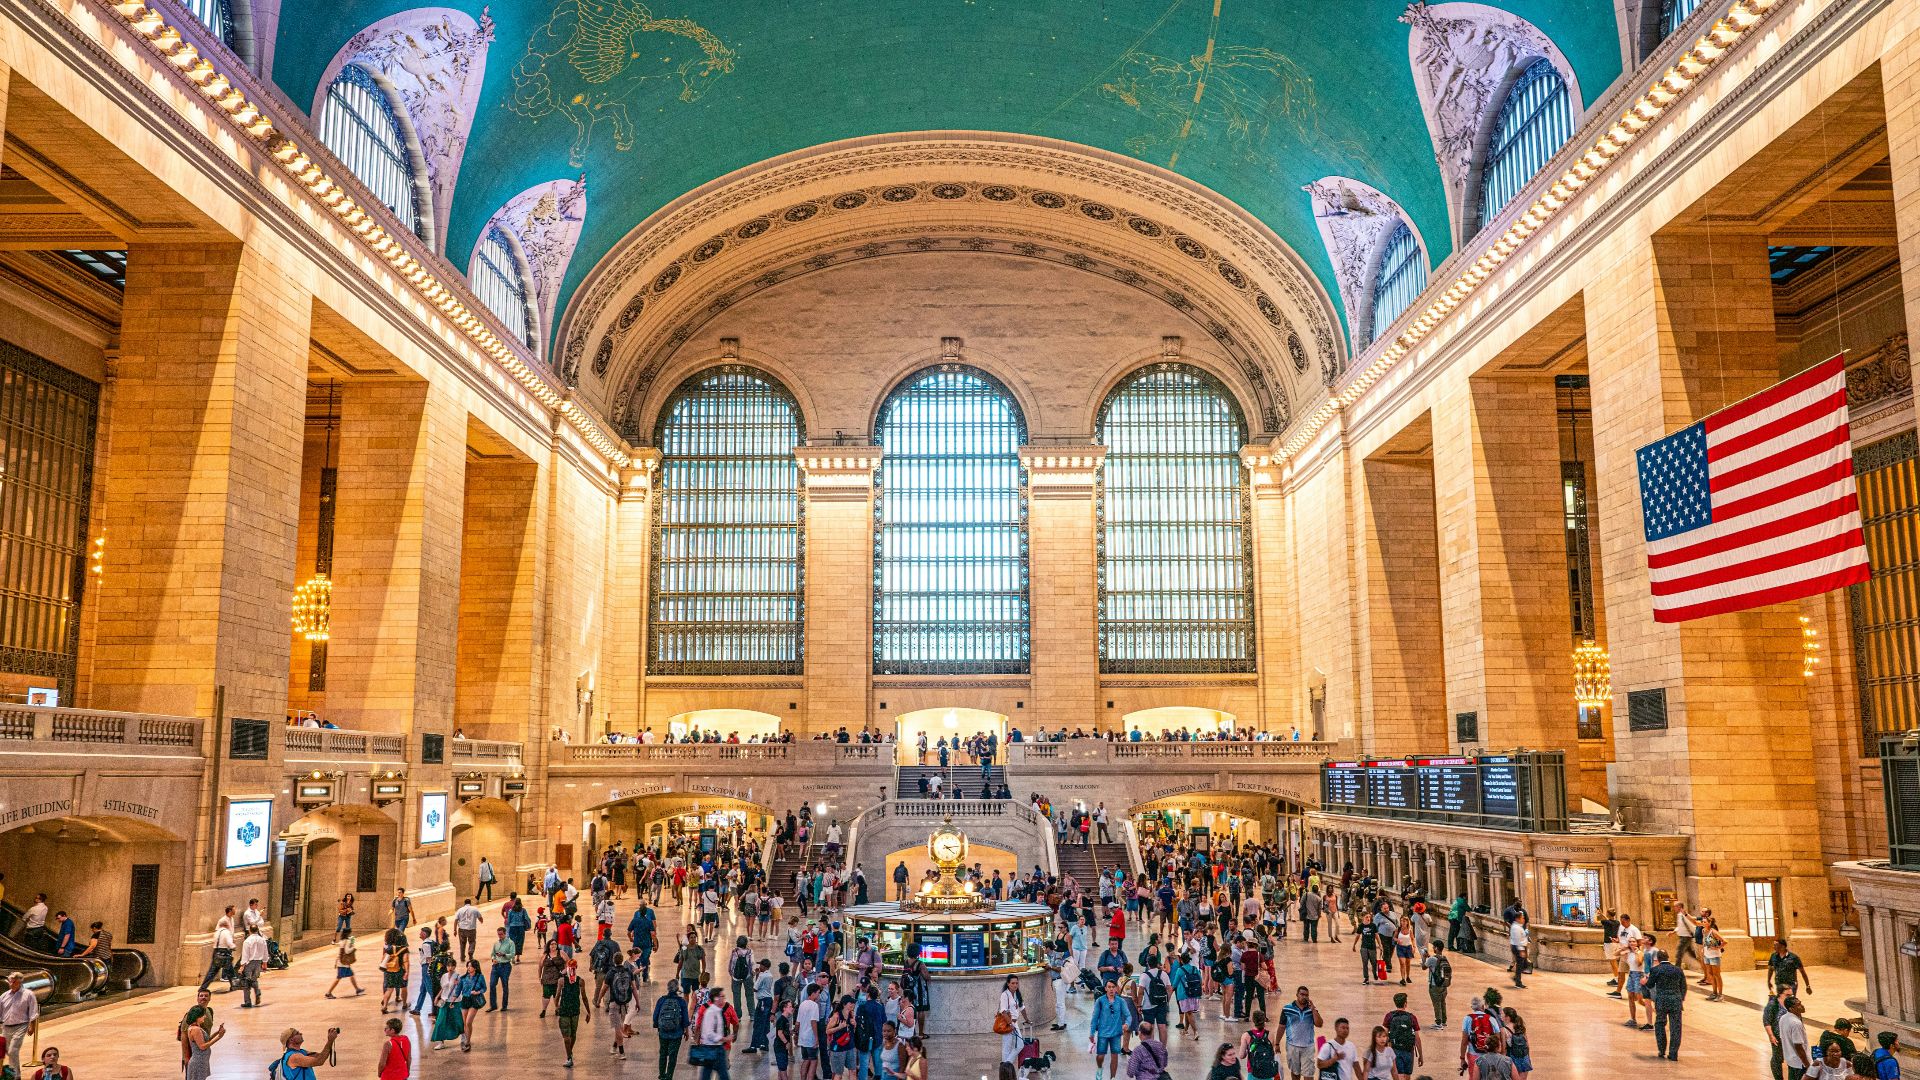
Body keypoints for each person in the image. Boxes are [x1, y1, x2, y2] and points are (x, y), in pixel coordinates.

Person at [1644, 947, 1686, 1061]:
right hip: (1676, 1001)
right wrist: (1680, 999)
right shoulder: (1678, 970)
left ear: (1658, 958)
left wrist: (1645, 981)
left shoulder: (1656, 970)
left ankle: (1662, 1050)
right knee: (1676, 1028)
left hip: (1662, 1001)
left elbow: (1650, 985)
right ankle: (1673, 1054)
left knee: (1660, 1024)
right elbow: (1683, 986)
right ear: (1668, 957)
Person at [2, 970, 42, 1079]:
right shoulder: (4, 996)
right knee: (6, 1051)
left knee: (13, 1050)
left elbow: (33, 1011)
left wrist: (32, 1026)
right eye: (10, 982)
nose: (11, 984)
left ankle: (16, 1076)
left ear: (19, 982)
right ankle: (11, 1072)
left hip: (21, 1025)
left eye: (14, 982)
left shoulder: (28, 994)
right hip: (6, 1027)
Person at [553, 957, 592, 1067]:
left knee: (571, 1035)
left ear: (566, 967)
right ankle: (569, 1056)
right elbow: (584, 997)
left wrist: (557, 1006)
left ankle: (569, 1054)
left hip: (567, 1010)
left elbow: (557, 996)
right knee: (569, 1036)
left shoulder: (562, 981)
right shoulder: (580, 981)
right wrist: (588, 1012)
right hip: (573, 1010)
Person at [693, 985, 737, 1080]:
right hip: (711, 1048)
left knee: (715, 1074)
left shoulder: (717, 1011)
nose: (724, 998)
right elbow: (709, 1033)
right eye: (722, 996)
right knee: (715, 1074)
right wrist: (725, 1038)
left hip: (718, 1048)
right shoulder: (710, 1013)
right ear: (716, 998)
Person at [1092, 979, 1132, 1080]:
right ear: (1105, 989)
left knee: (1115, 1056)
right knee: (1100, 1056)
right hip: (1103, 1033)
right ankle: (1100, 1068)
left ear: (1116, 989)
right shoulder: (1100, 1001)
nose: (1111, 989)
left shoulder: (1121, 1001)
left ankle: (1112, 1077)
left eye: (1113, 987)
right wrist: (1092, 1033)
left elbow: (1128, 1015)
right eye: (1109, 987)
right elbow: (1094, 1018)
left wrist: (1127, 1024)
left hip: (1116, 1033)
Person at [1280, 985, 1321, 1080]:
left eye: (1306, 995)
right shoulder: (1287, 1009)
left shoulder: (1311, 1010)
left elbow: (1319, 1024)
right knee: (1295, 1073)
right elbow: (1281, 1026)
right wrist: (1277, 1043)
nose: (1304, 997)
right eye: (1302, 994)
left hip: (1308, 1047)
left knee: (1309, 1075)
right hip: (1292, 1046)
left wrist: (1313, 1009)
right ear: (1297, 995)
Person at [653, 980, 690, 1080]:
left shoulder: (661, 1000)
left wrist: (658, 1026)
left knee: (663, 1053)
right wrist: (686, 1031)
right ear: (677, 989)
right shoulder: (681, 1001)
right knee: (673, 1056)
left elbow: (655, 1016)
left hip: (663, 1033)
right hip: (676, 1033)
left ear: (667, 988)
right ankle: (669, 1076)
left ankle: (661, 1074)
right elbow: (685, 1019)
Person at [275, 1027, 342, 1080]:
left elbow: (322, 1056)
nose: (301, 1033)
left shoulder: (302, 1052)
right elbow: (319, 1061)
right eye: (297, 1033)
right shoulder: (294, 1057)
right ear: (291, 1040)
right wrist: (330, 1040)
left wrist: (330, 1039)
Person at [1458, 996, 1502, 1076]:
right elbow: (1497, 1039)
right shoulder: (1491, 1019)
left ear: (1472, 1007)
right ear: (1483, 1006)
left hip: (1473, 1054)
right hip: (1489, 1055)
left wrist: (1462, 1058)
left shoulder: (1467, 1019)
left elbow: (1464, 1041)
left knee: (1473, 1077)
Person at [1382, 992, 1423, 1079]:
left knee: (1398, 1075)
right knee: (1407, 1076)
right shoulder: (1412, 1017)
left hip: (1395, 1050)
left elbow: (1384, 1036)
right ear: (1405, 1004)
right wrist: (1421, 1056)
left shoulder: (1389, 1016)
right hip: (1408, 1050)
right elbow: (1417, 1038)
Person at [180, 1005, 224, 1080]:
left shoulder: (196, 1027)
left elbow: (206, 1040)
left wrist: (217, 1032)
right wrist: (219, 1037)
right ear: (197, 1016)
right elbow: (202, 1046)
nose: (205, 1017)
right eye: (203, 1015)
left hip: (201, 1061)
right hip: (198, 1062)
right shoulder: (195, 1029)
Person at [1240, 1009, 1280, 1080]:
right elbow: (1271, 1052)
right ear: (1264, 1020)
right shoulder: (1270, 1035)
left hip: (1253, 1071)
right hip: (1267, 1071)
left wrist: (1249, 1050)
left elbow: (1241, 1055)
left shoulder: (1246, 1035)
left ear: (1253, 1020)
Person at [997, 973, 1027, 1066]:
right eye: (1013, 983)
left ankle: (1006, 1064)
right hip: (1008, 1023)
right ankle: (1006, 1067)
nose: (1015, 985)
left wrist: (1027, 1019)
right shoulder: (1004, 995)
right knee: (1007, 1046)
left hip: (1015, 1023)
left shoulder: (1016, 994)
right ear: (1008, 984)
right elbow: (1003, 1011)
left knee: (1020, 1044)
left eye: (1016, 983)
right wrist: (1010, 1024)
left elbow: (1022, 1008)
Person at [1779, 996, 1813, 1080]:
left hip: (1791, 1060)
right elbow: (1798, 1047)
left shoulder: (1783, 1018)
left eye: (1801, 1003)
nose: (1802, 1006)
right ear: (1791, 1009)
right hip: (1800, 1063)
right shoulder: (1796, 1023)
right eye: (1798, 1005)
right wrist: (1808, 1066)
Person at [326, 931, 363, 998]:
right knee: (338, 978)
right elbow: (347, 951)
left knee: (351, 975)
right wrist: (353, 947)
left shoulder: (342, 941)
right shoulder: (347, 941)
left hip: (342, 962)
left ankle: (357, 989)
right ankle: (329, 992)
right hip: (343, 964)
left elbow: (340, 952)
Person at [238, 925, 268, 1007]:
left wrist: (242, 966)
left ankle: (248, 1001)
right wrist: (265, 963)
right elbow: (266, 952)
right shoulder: (262, 940)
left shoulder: (247, 941)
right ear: (257, 930)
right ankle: (257, 992)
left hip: (249, 963)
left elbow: (245, 955)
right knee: (254, 979)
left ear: (249, 931)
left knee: (246, 982)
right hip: (258, 962)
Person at [488, 926, 516, 1010]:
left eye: (501, 934)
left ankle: (504, 1005)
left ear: (505, 933)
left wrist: (504, 955)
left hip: (505, 966)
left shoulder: (510, 943)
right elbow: (492, 954)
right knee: (492, 984)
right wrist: (493, 959)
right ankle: (493, 1005)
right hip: (496, 966)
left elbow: (512, 954)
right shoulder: (496, 943)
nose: (499, 936)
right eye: (498, 934)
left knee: (505, 985)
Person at [1499, 1007, 1531, 1077]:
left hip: (1511, 1059)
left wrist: (1500, 1063)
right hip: (1524, 1058)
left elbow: (1504, 1049)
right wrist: (1528, 1059)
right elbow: (1527, 1045)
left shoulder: (1503, 1030)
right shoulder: (1520, 1027)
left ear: (1507, 1017)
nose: (1500, 1015)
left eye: (1502, 1014)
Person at [1506, 912, 1529, 989]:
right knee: (1520, 965)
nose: (1523, 919)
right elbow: (1517, 940)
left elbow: (1521, 936)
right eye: (1522, 918)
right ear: (1517, 919)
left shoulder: (1518, 926)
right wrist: (1521, 950)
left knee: (1524, 964)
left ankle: (1516, 978)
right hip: (1518, 947)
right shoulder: (1516, 928)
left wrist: (1525, 933)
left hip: (1520, 947)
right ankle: (1518, 982)